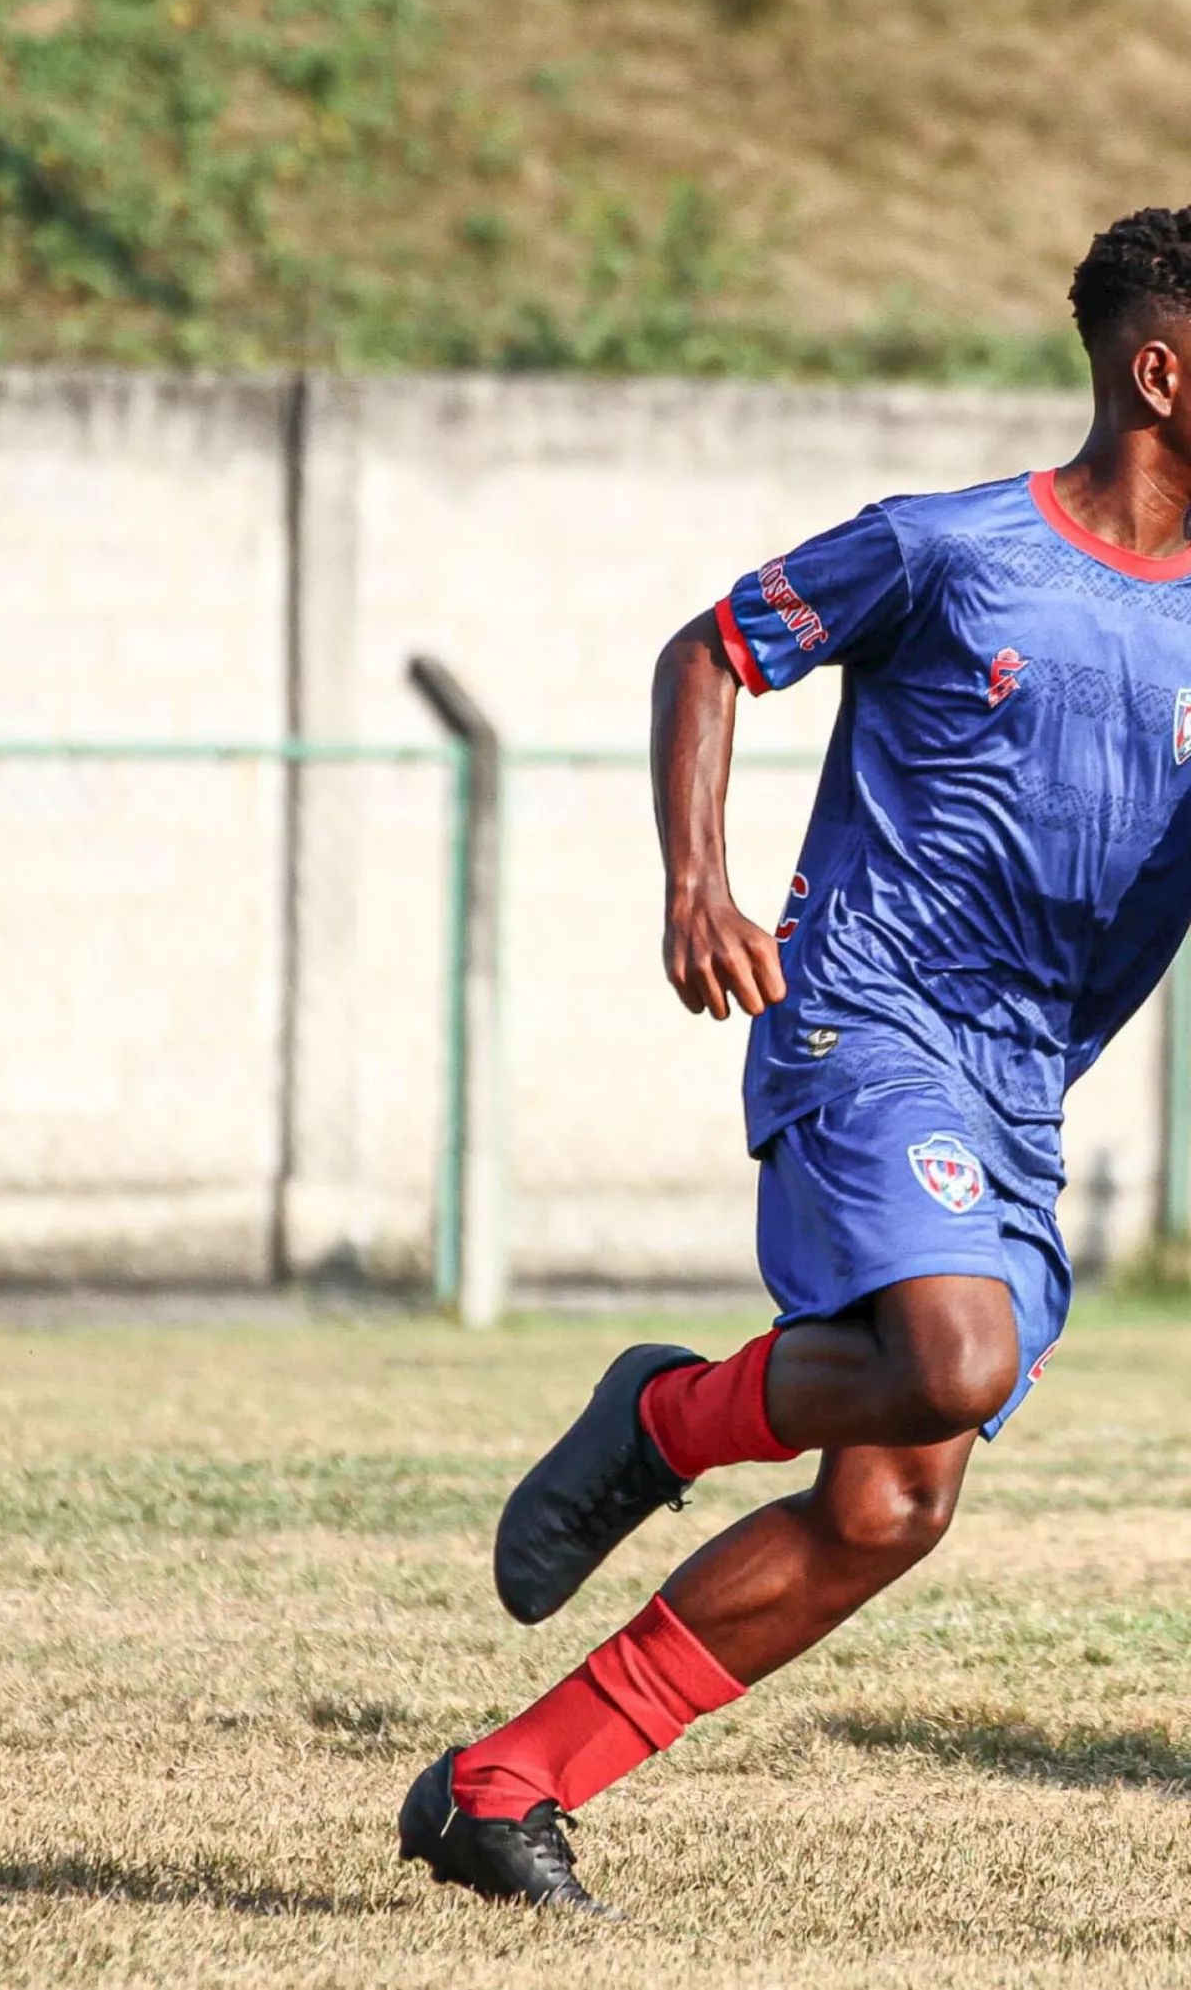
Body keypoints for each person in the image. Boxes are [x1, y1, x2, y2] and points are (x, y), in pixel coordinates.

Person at [399, 205, 1191, 1915]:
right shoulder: (950, 549)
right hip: (864, 1015)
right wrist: (699, 880)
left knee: (896, 1503)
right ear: (1160, 373)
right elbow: (715, 647)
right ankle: (675, 1413)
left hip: (1019, 1085)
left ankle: (504, 1784)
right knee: (954, 1355)